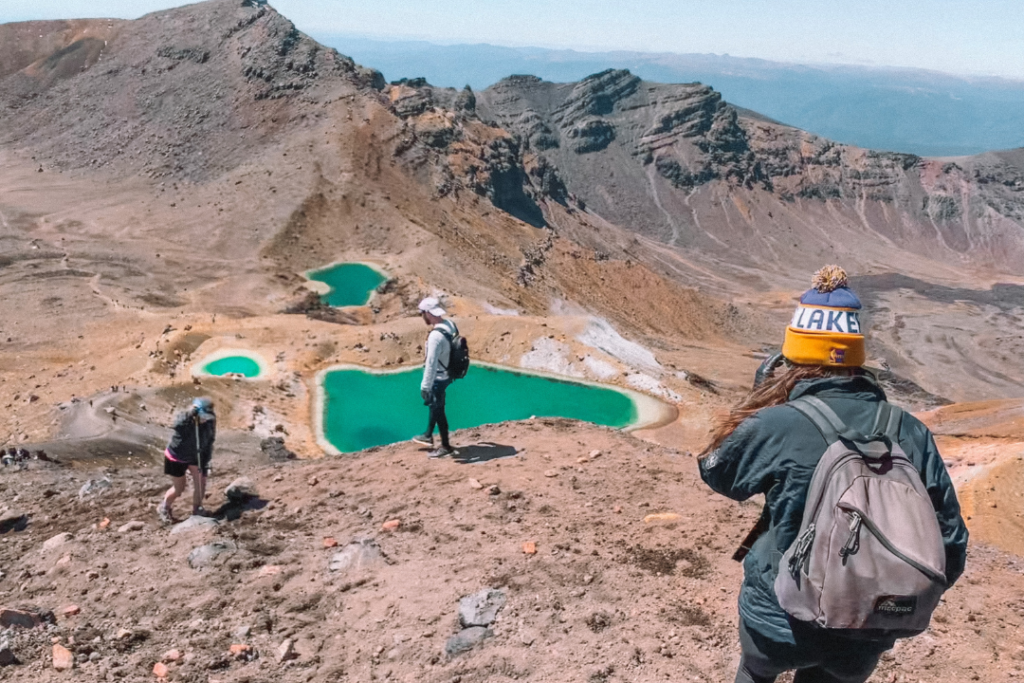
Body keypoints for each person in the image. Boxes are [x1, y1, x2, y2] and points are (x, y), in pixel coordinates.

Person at [698, 266, 968, 683]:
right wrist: (891, 599)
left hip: (777, 619)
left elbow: (718, 473)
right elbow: (951, 540)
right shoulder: (910, 430)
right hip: (865, 625)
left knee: (755, 671)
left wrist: (757, 402)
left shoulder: (778, 423)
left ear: (793, 358)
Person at [412, 296, 458, 457]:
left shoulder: (435, 336)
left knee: (438, 410)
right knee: (435, 404)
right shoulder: (450, 325)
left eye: (422, 313)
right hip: (448, 374)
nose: (422, 317)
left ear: (428, 313)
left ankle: (445, 446)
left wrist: (425, 386)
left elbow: (431, 363)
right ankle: (428, 434)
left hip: (438, 378)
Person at [158, 396, 216, 523]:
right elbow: (177, 425)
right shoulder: (184, 420)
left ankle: (197, 509)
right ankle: (164, 507)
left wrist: (206, 460)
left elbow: (210, 440)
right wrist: (190, 416)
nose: (206, 419)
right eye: (204, 416)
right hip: (176, 457)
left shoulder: (210, 420)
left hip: (197, 456)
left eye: (208, 416)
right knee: (179, 489)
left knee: (201, 483)